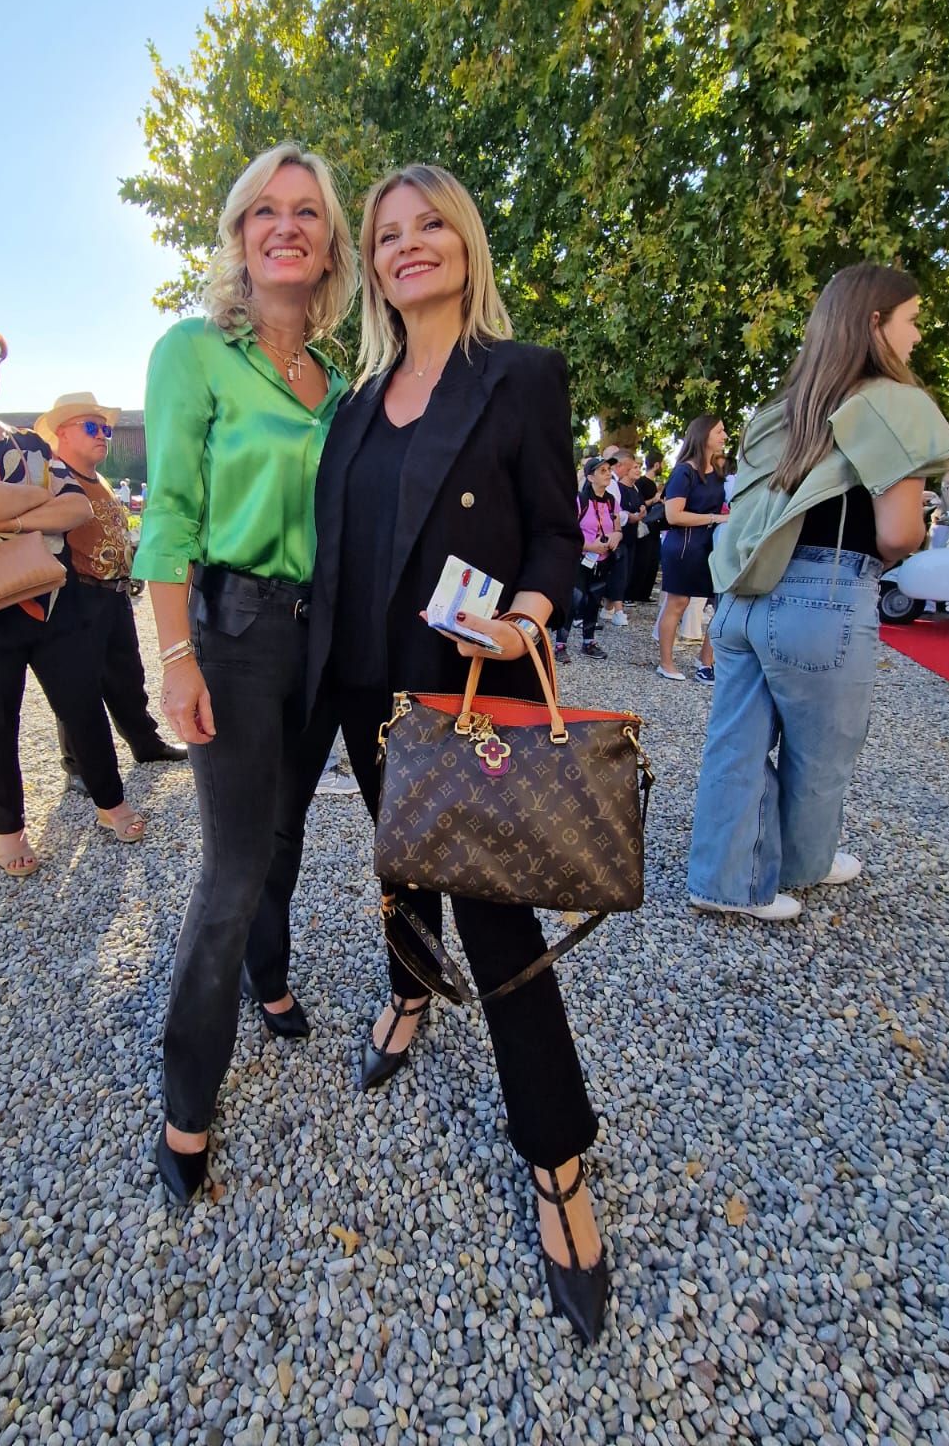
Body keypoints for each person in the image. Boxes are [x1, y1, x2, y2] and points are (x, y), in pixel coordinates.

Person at [306, 162, 608, 1340]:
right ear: (374, 263)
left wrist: (529, 615)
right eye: (388, 233)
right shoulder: (354, 400)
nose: (408, 244)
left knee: (498, 920)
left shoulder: (521, 375)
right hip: (362, 685)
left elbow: (554, 532)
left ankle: (558, 1160)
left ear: (466, 243)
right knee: (397, 863)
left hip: (466, 682)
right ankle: (406, 994)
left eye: (431, 224)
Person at [139, 143, 357, 1206]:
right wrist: (175, 655)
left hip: (321, 640)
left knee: (286, 835)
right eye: (265, 209)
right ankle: (187, 1099)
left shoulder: (344, 385)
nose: (286, 225)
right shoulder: (195, 351)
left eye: (307, 211)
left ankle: (270, 975)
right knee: (230, 866)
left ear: (330, 243)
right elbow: (169, 513)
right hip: (230, 630)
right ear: (238, 233)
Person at [688, 264, 949, 922]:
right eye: (912, 320)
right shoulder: (896, 404)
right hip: (827, 591)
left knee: (735, 742)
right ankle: (802, 865)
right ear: (876, 323)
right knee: (821, 751)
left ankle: (724, 883)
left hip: (744, 593)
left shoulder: (781, 411)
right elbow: (899, 533)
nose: (918, 335)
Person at [0, 319, 146, 877]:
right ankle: (8, 832)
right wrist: (34, 502)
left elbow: (76, 506)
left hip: (46, 591)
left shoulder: (27, 442)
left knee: (81, 699)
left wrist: (4, 516)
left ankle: (111, 803)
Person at [34, 391, 186, 788]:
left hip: (113, 593)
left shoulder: (98, 479)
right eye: (91, 427)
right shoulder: (53, 479)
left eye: (105, 429)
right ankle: (79, 766)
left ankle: (144, 741)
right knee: (78, 683)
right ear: (63, 432)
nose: (102, 435)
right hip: (78, 594)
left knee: (127, 674)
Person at [655, 415, 728, 683]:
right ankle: (666, 662)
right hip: (684, 546)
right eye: (719, 431)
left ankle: (705, 662)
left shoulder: (718, 471)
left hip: (710, 546)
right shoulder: (684, 472)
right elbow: (673, 515)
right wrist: (715, 518)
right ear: (703, 434)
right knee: (678, 603)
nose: (725, 436)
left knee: (721, 605)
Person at [554, 456, 622, 660]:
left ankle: (588, 642)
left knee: (594, 600)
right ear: (590, 477)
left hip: (602, 560)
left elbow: (618, 529)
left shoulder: (612, 501)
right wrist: (590, 546)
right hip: (580, 559)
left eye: (609, 469)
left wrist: (616, 537)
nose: (608, 473)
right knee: (574, 600)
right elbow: (566, 533)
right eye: (602, 471)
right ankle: (560, 645)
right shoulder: (579, 500)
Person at [601, 449, 640, 626]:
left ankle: (610, 607)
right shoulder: (612, 483)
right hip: (610, 534)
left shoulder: (617, 483)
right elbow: (613, 511)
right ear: (620, 465)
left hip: (618, 533)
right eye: (629, 468)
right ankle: (616, 609)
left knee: (619, 571)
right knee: (617, 572)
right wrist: (628, 517)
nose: (629, 471)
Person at [626, 451, 664, 603]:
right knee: (640, 562)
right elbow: (641, 504)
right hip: (643, 527)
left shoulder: (648, 484)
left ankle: (643, 593)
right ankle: (632, 594)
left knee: (651, 562)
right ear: (657, 464)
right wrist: (654, 500)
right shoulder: (641, 483)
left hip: (653, 528)